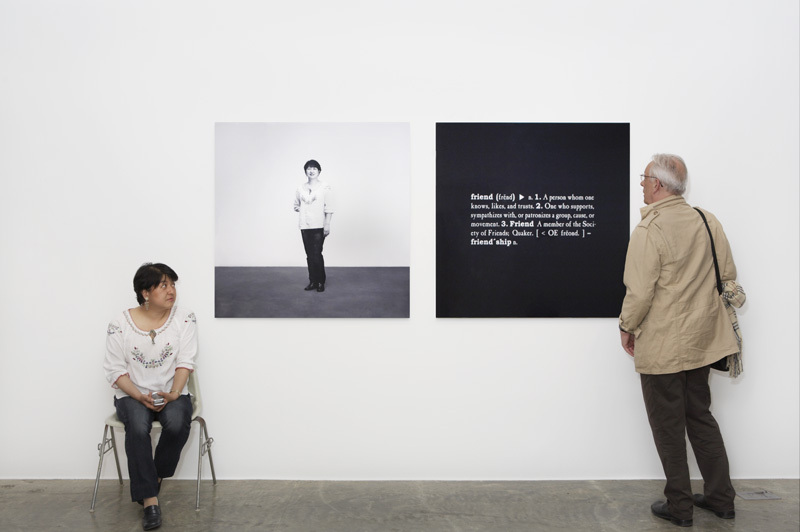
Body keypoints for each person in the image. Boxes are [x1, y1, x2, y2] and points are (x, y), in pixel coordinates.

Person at [619, 154, 739, 527]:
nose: (641, 184)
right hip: (703, 342)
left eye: (644, 178)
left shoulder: (649, 229)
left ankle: (680, 507)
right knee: (700, 416)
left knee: (668, 426)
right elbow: (727, 275)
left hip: (664, 347)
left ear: (657, 184)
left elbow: (639, 293)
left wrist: (626, 326)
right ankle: (721, 499)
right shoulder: (706, 220)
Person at [104, 263, 197, 531]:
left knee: (177, 423)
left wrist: (174, 393)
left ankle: (152, 478)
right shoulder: (119, 324)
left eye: (173, 284)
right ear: (145, 292)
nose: (171, 291)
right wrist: (139, 395)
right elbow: (114, 369)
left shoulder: (185, 318)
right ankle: (150, 501)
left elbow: (185, 361)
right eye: (164, 285)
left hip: (172, 391)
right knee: (137, 426)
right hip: (131, 394)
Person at [293, 159, 334, 292]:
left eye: (314, 168)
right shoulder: (300, 188)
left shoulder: (325, 187)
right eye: (309, 168)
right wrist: (306, 210)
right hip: (305, 225)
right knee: (309, 254)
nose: (311, 171)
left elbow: (329, 207)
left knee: (316, 253)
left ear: (319, 171)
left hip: (319, 225)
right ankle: (313, 281)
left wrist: (327, 224)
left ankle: (320, 281)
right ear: (305, 171)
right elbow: (296, 205)